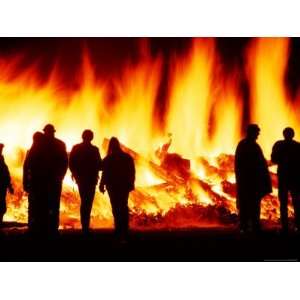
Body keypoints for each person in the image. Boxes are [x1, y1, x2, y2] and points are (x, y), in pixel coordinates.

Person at [24, 124, 68, 236]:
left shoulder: (38, 144)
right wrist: (60, 176)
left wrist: (26, 181)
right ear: (53, 132)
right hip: (52, 181)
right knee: (53, 205)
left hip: (40, 181)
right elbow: (65, 163)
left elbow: (27, 164)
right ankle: (52, 229)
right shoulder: (60, 144)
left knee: (38, 205)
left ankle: (37, 228)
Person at [235, 124, 272, 233]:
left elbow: (261, 163)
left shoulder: (252, 145)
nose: (258, 135)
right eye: (257, 132)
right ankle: (246, 226)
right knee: (248, 204)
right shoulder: (245, 145)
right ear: (251, 132)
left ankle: (252, 225)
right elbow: (240, 164)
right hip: (249, 181)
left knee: (254, 204)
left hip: (253, 181)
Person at [99, 137, 135, 242]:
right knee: (123, 205)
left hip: (112, 186)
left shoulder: (107, 159)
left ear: (110, 146)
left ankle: (118, 228)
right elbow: (132, 172)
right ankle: (124, 228)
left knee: (115, 206)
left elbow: (104, 174)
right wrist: (131, 183)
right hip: (123, 186)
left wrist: (102, 184)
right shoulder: (127, 157)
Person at [69, 130, 102, 234]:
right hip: (91, 180)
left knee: (84, 201)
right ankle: (85, 226)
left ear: (82, 137)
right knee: (88, 202)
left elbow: (71, 163)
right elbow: (99, 165)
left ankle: (85, 226)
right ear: (91, 138)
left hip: (81, 179)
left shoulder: (76, 148)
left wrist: (75, 174)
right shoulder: (94, 150)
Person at [271, 127, 300, 233]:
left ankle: (285, 227)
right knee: (296, 202)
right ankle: (297, 226)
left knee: (283, 202)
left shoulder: (279, 144)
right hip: (295, 177)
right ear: (293, 135)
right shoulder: (297, 146)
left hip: (284, 176)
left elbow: (273, 158)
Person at [23, 131, 45, 233]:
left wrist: (25, 182)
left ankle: (33, 226)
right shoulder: (41, 152)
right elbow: (26, 168)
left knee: (33, 205)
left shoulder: (31, 151)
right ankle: (36, 226)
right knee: (38, 205)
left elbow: (25, 168)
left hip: (35, 183)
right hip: (38, 183)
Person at [0, 143, 14, 227]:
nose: (1, 150)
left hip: (2, 187)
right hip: (1, 186)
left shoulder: (1, 159)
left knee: (1, 207)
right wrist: (9, 186)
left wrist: (9, 186)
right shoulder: (1, 160)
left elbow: (6, 174)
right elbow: (5, 174)